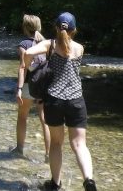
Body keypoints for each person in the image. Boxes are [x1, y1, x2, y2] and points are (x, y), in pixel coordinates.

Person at [24, 12, 97, 191]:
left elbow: (28, 52)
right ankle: (89, 181)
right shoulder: (80, 48)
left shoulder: (50, 45)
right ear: (74, 30)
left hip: (54, 100)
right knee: (80, 144)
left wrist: (29, 67)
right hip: (76, 100)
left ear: (56, 28)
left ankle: (55, 184)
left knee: (56, 144)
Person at [12, 14, 50, 161]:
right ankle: (48, 154)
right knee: (45, 120)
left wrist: (19, 88)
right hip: (44, 85)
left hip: (29, 84)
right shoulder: (45, 43)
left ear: (25, 27)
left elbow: (23, 67)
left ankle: (19, 149)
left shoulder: (24, 45)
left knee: (22, 117)